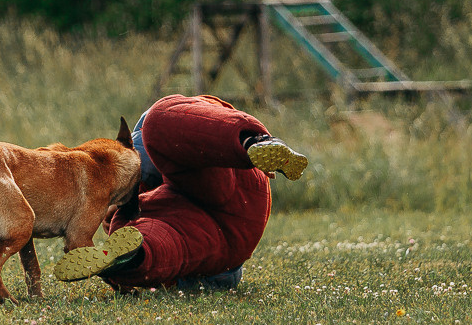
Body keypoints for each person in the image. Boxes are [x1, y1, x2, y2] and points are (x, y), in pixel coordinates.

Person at [52, 93, 308, 291]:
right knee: (136, 234)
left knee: (158, 123)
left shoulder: (173, 131)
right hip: (226, 241)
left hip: (230, 191)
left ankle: (128, 263)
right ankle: (129, 260)